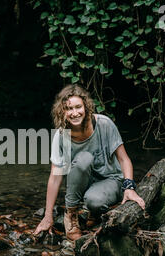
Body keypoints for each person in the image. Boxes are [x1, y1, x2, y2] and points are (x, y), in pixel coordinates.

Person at [34, 84, 146, 241]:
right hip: (84, 183)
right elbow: (55, 176)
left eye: (78, 107)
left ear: (86, 106)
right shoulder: (61, 136)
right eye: (69, 109)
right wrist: (47, 216)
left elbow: (123, 159)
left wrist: (129, 187)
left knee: (94, 201)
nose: (74, 113)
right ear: (62, 112)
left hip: (111, 180)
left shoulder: (104, 124)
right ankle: (71, 216)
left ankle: (94, 211)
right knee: (83, 158)